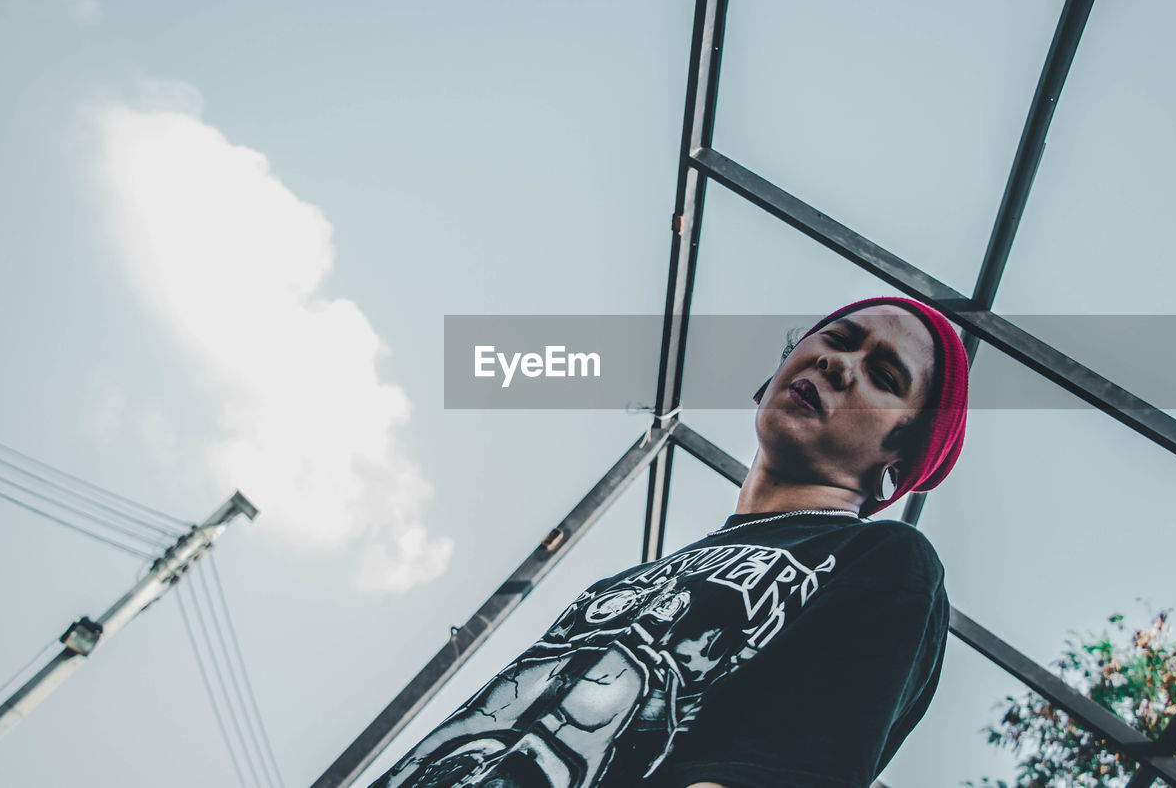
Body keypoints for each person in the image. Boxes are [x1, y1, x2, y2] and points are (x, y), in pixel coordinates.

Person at [369, 296, 970, 788]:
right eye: (836, 340)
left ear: (901, 454)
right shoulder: (626, 583)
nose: (840, 365)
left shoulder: (885, 562)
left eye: (884, 376)